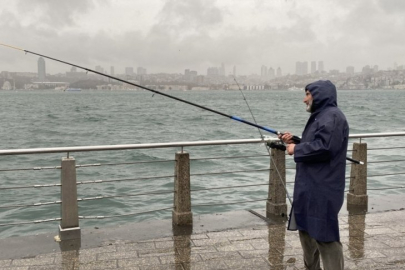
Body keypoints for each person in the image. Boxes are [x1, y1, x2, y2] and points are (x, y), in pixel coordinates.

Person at [279, 80, 348, 270]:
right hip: (308, 186)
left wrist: (296, 150)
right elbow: (317, 142)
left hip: (323, 188)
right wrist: (295, 141)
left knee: (325, 235)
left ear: (320, 95)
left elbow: (325, 148)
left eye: (308, 94)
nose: (304, 99)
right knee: (306, 231)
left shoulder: (332, 117)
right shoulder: (321, 116)